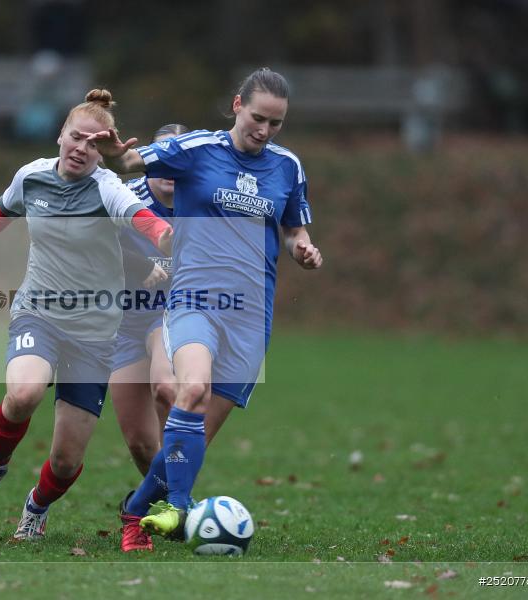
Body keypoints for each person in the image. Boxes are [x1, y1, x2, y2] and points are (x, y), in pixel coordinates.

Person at [0, 89, 172, 540]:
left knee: (66, 460)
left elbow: (141, 218)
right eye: (76, 137)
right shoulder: (32, 176)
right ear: (61, 134)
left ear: (103, 152)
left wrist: (166, 237)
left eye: (94, 144)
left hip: (95, 334)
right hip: (39, 313)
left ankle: (36, 506)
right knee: (24, 393)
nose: (81, 148)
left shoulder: (107, 188)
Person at [87, 68, 323, 545]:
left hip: (250, 315)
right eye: (258, 118)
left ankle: (136, 509)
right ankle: (178, 508)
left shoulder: (287, 167)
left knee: (191, 436)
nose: (265, 130)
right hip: (194, 300)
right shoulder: (196, 149)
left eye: (276, 123)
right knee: (190, 390)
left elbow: (294, 228)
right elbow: (130, 161)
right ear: (237, 106)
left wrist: (303, 248)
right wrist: (113, 154)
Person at [110, 124, 188, 551]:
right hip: (122, 322)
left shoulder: (203, 201)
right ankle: (166, 504)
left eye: (177, 160)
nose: (169, 169)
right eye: (161, 158)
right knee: (141, 443)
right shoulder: (125, 197)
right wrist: (138, 268)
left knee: (166, 389)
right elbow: (93, 247)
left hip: (171, 315)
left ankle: (178, 503)